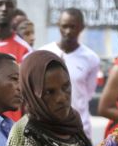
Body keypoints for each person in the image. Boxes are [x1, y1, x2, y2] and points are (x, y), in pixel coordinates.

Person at [40, 8, 101, 139]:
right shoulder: (43, 53)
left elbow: (88, 93)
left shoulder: (91, 58)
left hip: (80, 128)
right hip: (49, 126)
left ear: (81, 27)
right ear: (58, 25)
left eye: (73, 27)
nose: (68, 31)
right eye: (64, 26)